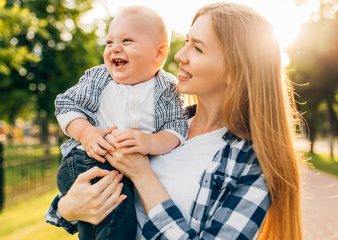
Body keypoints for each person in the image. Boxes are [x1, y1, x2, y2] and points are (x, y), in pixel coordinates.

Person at [45, 3, 303, 239]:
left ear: (235, 72)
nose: (179, 54)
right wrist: (67, 208)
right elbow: (80, 207)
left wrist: (143, 175)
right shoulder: (162, 120)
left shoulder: (251, 164)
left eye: (198, 48)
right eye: (188, 41)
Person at [52, 6, 188, 240]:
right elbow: (65, 105)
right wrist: (87, 133)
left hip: (125, 170)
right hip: (88, 159)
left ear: (158, 54)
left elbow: (176, 128)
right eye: (109, 42)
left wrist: (150, 142)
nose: (115, 48)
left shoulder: (167, 89)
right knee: (117, 212)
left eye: (127, 40)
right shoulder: (99, 78)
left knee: (106, 220)